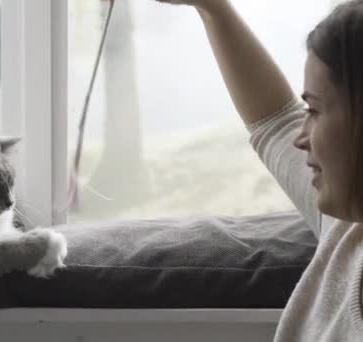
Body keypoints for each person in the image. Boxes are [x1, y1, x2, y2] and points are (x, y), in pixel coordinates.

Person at [152, 0, 363, 340]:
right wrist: (212, 9)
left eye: (315, 110)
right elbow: (274, 120)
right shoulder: (346, 226)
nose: (301, 138)